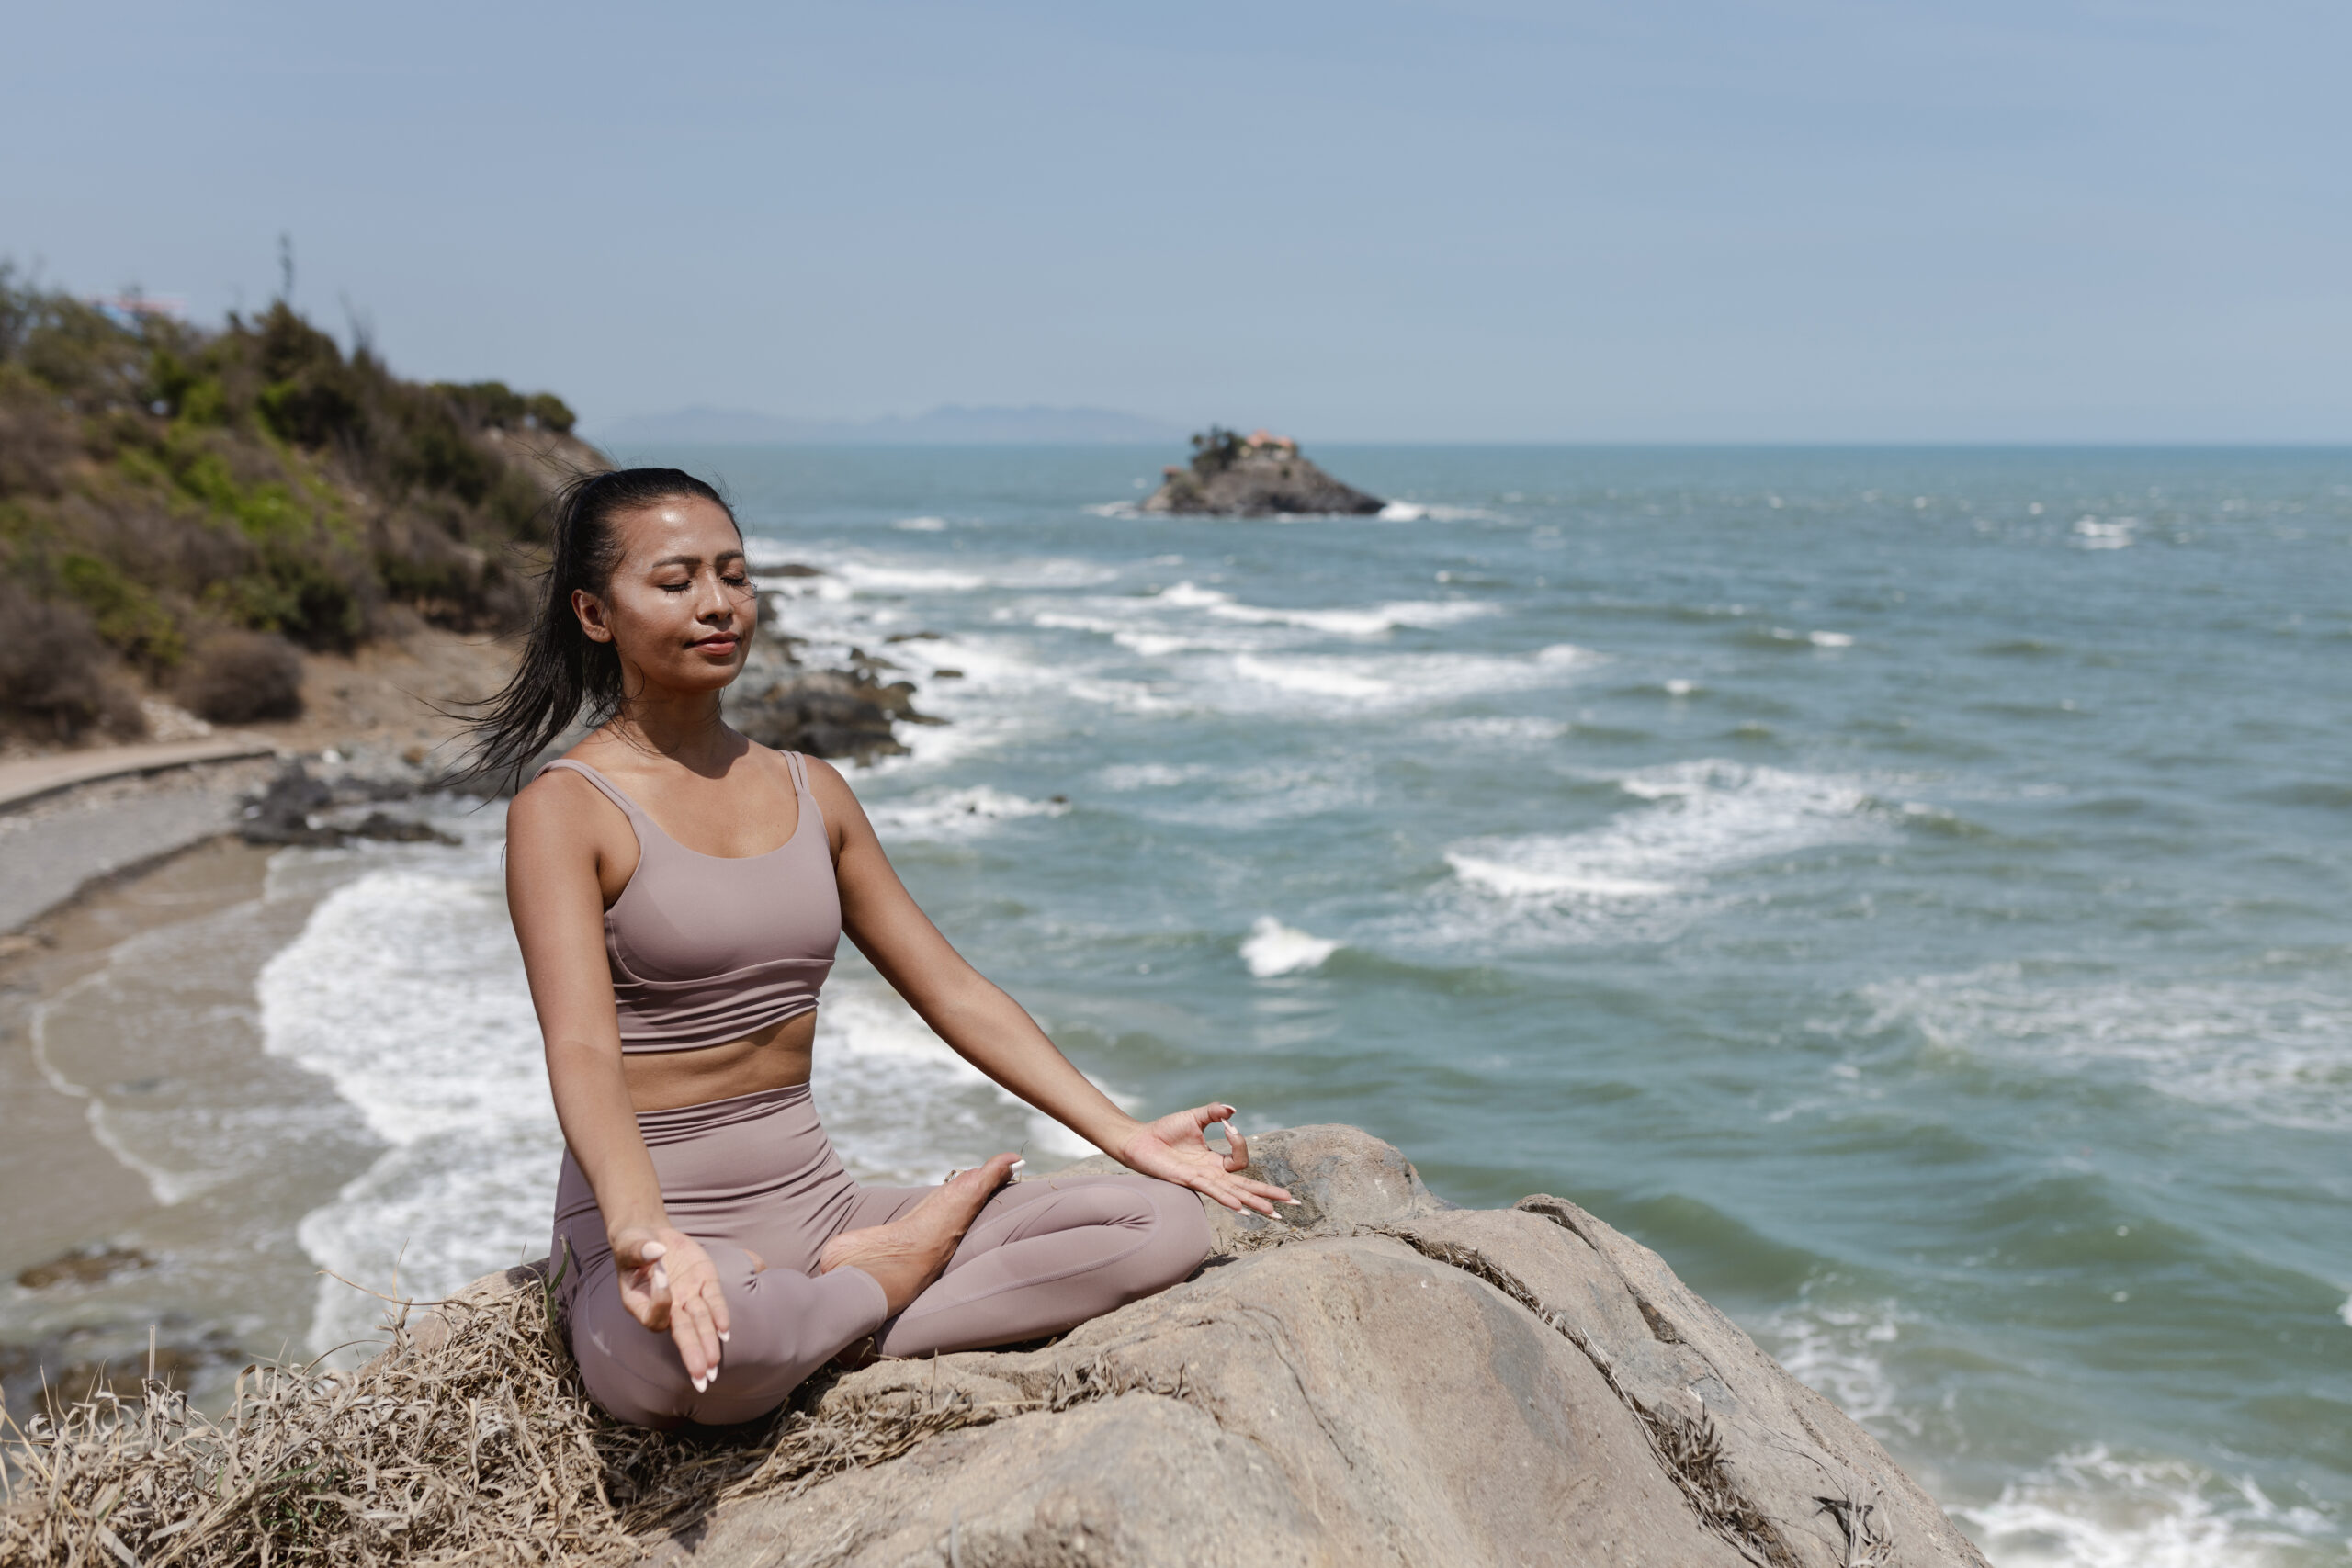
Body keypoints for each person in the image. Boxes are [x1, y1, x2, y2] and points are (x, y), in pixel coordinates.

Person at [464, 468, 1295, 1429]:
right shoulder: (564, 809)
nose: (718, 605)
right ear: (595, 613)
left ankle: (843, 1302)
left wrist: (1121, 1134)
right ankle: (886, 1280)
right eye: (676, 581)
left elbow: (951, 989)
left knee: (1160, 1224)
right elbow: (580, 1048)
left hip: (820, 1211)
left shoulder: (811, 789)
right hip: (653, 1233)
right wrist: (643, 1236)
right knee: (711, 1353)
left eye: (734, 576)